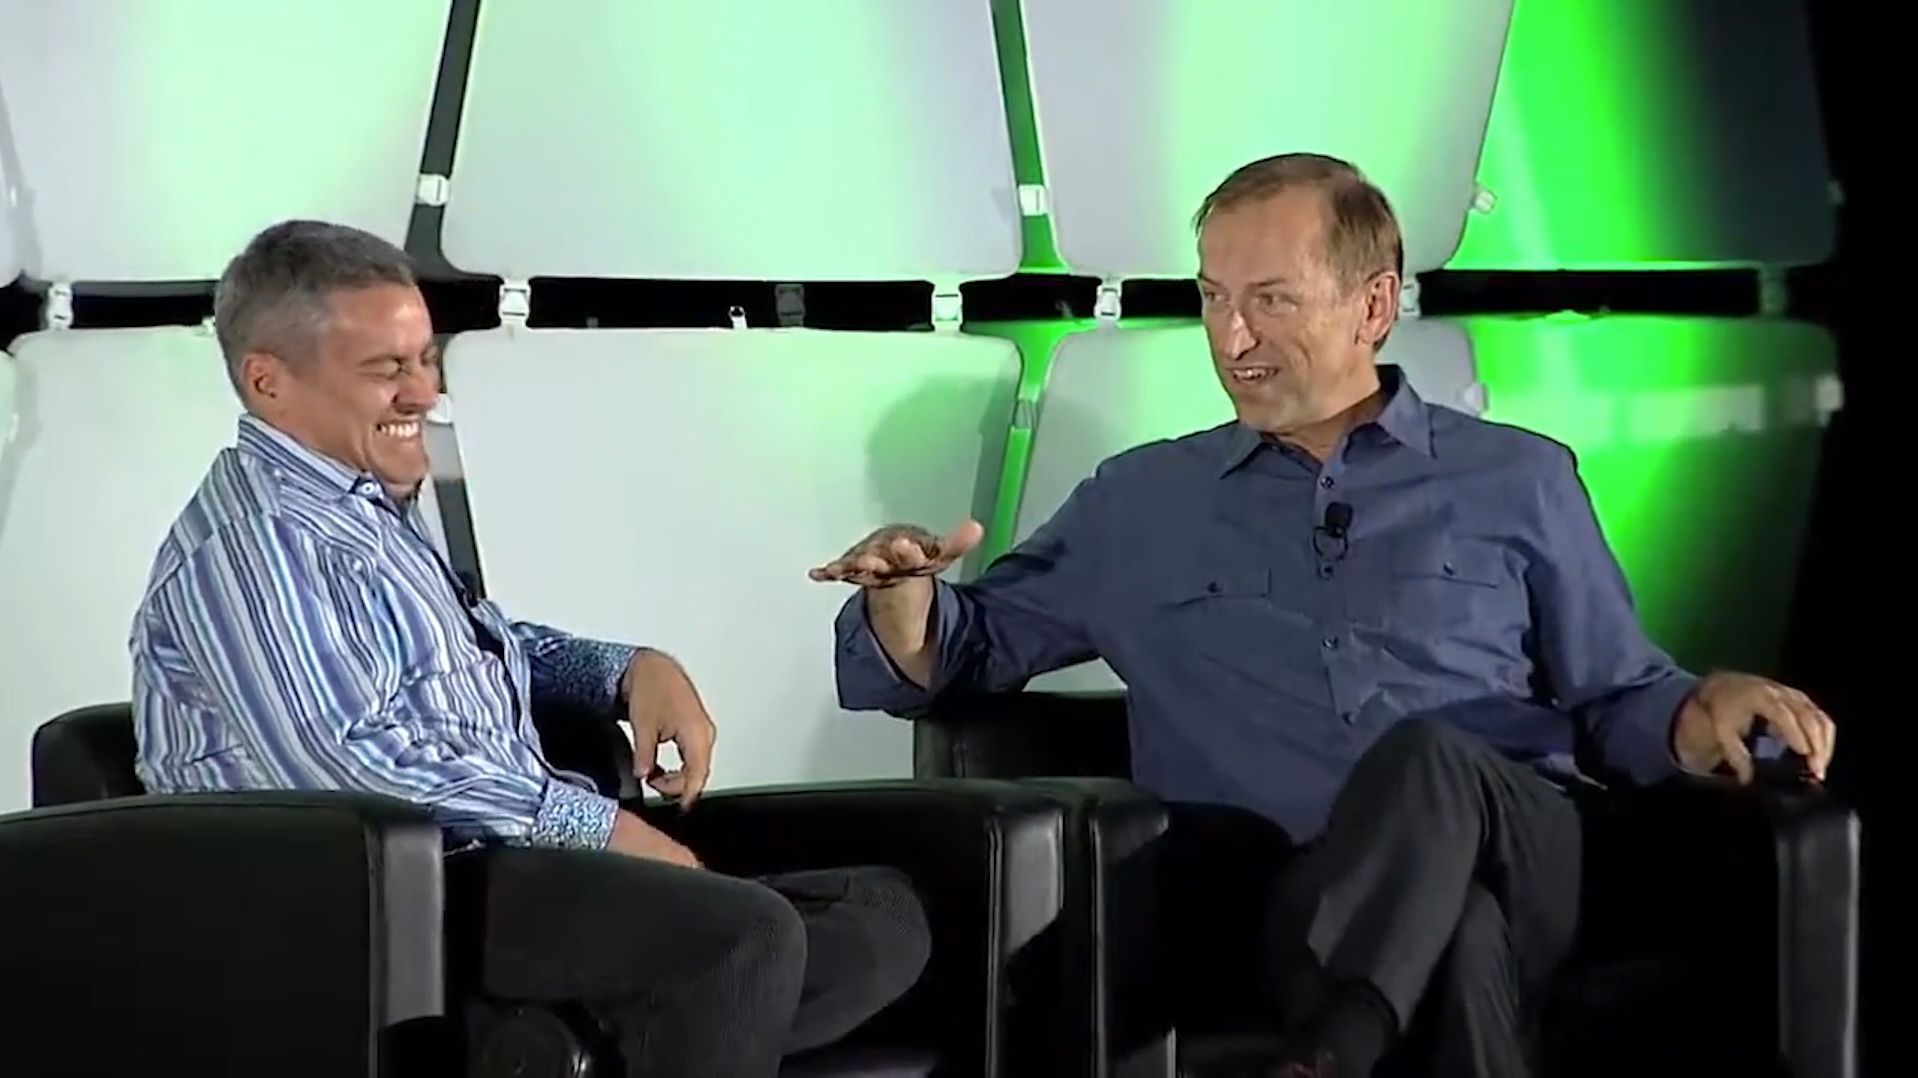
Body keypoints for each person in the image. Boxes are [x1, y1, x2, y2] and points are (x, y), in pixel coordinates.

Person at [811, 153, 1837, 1078]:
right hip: (1287, 898)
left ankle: (1333, 1049)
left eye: (1269, 299)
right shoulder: (1141, 503)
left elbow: (1619, 693)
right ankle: (1341, 1043)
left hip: (1528, 856)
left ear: (1373, 306)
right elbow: (968, 649)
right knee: (1455, 934)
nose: (1231, 335)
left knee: (1433, 764)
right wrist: (905, 603)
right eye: (1211, 297)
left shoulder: (1516, 477)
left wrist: (1704, 707)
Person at [130, 220, 929, 1077]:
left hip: (494, 863)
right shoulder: (254, 544)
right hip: (373, 904)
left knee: (880, 914)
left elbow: (481, 645)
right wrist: (598, 828)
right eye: (386, 370)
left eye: (425, 360)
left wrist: (627, 670)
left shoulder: (360, 510)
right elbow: (355, 762)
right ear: (269, 382)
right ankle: (579, 1029)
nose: (422, 394)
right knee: (742, 940)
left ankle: (560, 1043)